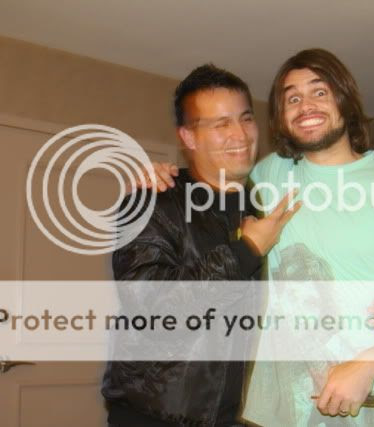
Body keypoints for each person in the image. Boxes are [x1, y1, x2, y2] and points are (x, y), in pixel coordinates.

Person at [148, 49, 374, 426]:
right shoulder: (267, 175)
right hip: (264, 415)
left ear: (345, 100)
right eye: (292, 98)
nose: (305, 105)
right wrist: (160, 177)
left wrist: (369, 363)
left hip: (372, 412)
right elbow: (207, 184)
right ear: (281, 116)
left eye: (319, 92)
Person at [101, 64, 299, 427]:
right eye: (221, 124)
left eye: (245, 118)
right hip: (153, 418)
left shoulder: (258, 204)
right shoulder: (152, 201)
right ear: (188, 138)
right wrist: (246, 250)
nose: (240, 134)